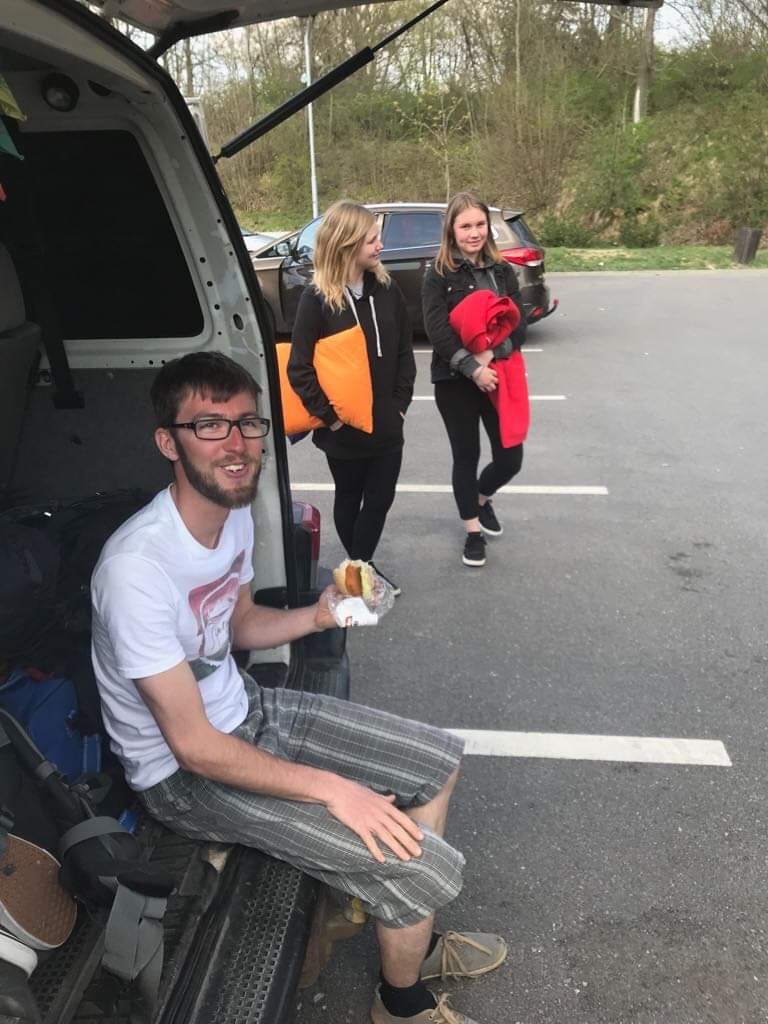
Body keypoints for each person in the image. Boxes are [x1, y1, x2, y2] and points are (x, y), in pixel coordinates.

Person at [90, 351, 506, 1024]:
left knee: (440, 764)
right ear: (168, 442)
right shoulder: (136, 568)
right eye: (210, 426)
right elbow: (194, 747)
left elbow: (239, 623)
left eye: (248, 423)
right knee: (417, 867)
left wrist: (321, 613)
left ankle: (410, 928)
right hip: (180, 775)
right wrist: (335, 789)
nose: (237, 444)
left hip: (245, 710)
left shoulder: (233, 513)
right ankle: (400, 1003)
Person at [287, 200, 415, 597]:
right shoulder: (316, 299)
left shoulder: (387, 289)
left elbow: (404, 352)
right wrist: (331, 418)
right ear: (345, 244)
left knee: (380, 499)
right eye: (371, 239)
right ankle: (362, 574)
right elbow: (299, 368)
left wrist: (399, 405)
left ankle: (359, 570)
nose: (380, 246)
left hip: (387, 423)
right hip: (342, 428)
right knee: (349, 497)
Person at [422, 192, 527, 569]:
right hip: (454, 380)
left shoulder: (502, 271)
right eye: (465, 226)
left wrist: (488, 358)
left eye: (480, 224)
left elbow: (519, 324)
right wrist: (472, 368)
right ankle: (472, 532)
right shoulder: (438, 273)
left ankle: (481, 499)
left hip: (497, 375)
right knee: (466, 455)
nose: (474, 233)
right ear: (451, 229)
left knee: (510, 457)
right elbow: (437, 330)